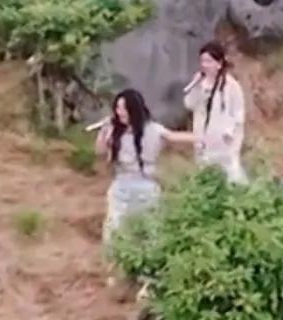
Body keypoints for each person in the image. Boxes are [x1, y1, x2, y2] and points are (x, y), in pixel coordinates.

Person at [169, 40, 247, 183]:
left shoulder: (231, 86)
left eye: (209, 61)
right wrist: (196, 86)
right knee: (205, 180)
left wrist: (230, 135)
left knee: (229, 180)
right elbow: (189, 104)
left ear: (219, 63)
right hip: (203, 142)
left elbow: (238, 115)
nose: (205, 65)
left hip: (224, 145)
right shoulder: (200, 83)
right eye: (202, 61)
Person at [97, 88, 167, 246]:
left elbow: (173, 137)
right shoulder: (115, 131)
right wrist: (104, 133)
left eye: (123, 108)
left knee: (149, 232)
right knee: (114, 230)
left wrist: (205, 138)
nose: (119, 112)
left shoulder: (153, 129)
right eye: (117, 108)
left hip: (146, 188)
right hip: (121, 188)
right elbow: (100, 151)